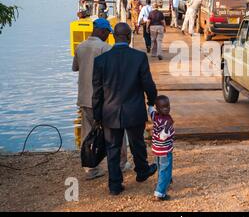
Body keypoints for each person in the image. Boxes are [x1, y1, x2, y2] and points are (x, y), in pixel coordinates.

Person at [92, 23, 158, 195]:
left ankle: (115, 185)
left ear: (114, 36)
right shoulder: (139, 57)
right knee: (137, 142)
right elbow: (148, 84)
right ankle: (142, 171)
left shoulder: (100, 61)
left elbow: (97, 92)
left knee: (112, 148)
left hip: (110, 111)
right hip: (134, 109)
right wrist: (152, 101)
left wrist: (97, 115)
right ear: (129, 37)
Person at [72, 19, 130, 180]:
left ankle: (90, 169)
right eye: (107, 33)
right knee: (116, 131)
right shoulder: (105, 48)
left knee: (87, 133)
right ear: (102, 31)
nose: (108, 36)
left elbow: (75, 67)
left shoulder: (80, 46)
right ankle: (121, 164)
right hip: (104, 99)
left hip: (84, 98)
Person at [149, 95, 175, 201]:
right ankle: (160, 193)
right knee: (165, 169)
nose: (167, 108)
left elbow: (150, 110)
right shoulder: (167, 121)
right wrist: (167, 127)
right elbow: (163, 137)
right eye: (164, 107)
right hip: (165, 150)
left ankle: (166, 181)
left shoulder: (155, 115)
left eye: (168, 106)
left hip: (156, 149)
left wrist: (150, 104)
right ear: (158, 108)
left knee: (161, 168)